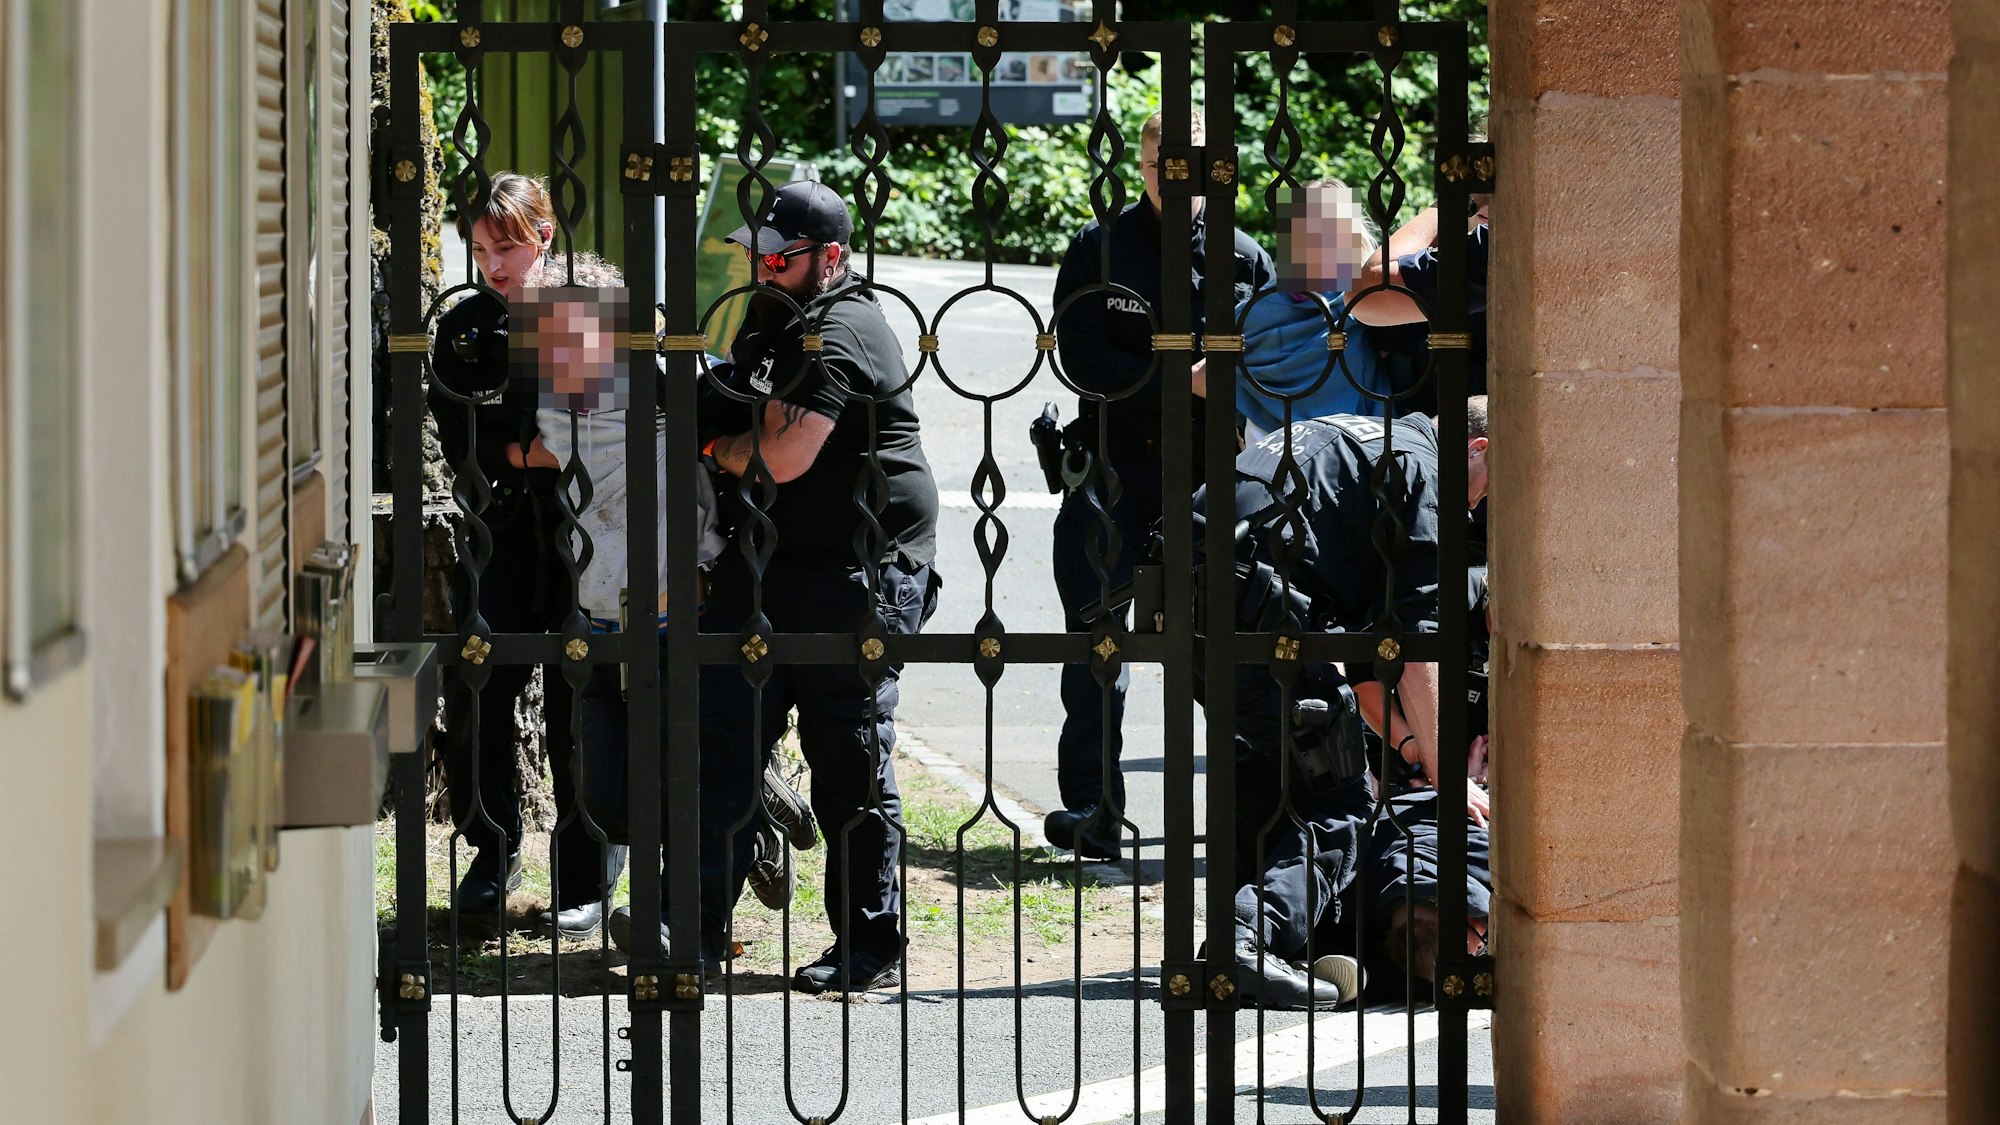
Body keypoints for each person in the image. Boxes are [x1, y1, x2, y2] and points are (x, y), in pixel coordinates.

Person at [610, 180, 941, 997]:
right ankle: (692, 928)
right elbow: (733, 399)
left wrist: (718, 447)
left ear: (830, 257)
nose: (762, 268)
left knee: (849, 758)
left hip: (860, 569)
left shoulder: (845, 325)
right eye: (754, 254)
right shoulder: (774, 314)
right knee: (720, 738)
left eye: (780, 257)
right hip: (770, 562)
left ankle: (870, 947)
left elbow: (784, 455)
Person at [1192, 396, 1491, 1009]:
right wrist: (1447, 777)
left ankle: (1259, 944)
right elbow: (1416, 650)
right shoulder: (1424, 470)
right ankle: (1243, 944)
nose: (1478, 507)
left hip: (1203, 587)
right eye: (1487, 491)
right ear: (1480, 449)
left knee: (1275, 772)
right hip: (1259, 602)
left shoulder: (1368, 434)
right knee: (1343, 797)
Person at [1046, 109, 1275, 861]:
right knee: (1098, 641)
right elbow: (1080, 358)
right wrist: (1181, 377)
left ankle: (1251, 817)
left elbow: (1273, 360)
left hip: (1212, 475)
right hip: (1115, 467)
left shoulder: (1246, 258)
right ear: (1141, 167)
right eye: (1160, 169)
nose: (1175, 185)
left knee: (1229, 642)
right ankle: (1093, 810)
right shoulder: (1100, 248)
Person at [427, 173, 627, 938]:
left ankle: (588, 875)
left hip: (584, 532)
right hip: (501, 533)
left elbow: (600, 430)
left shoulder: (584, 313)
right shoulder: (465, 327)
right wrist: (527, 452)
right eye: (480, 249)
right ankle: (492, 850)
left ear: (543, 237)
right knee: (480, 686)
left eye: (506, 246)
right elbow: (467, 445)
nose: (493, 265)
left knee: (581, 700)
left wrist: (532, 450)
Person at [1236, 180, 1396, 442]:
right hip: (1269, 451)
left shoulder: (1368, 305)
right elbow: (1205, 376)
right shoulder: (1255, 312)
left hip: (1352, 447)